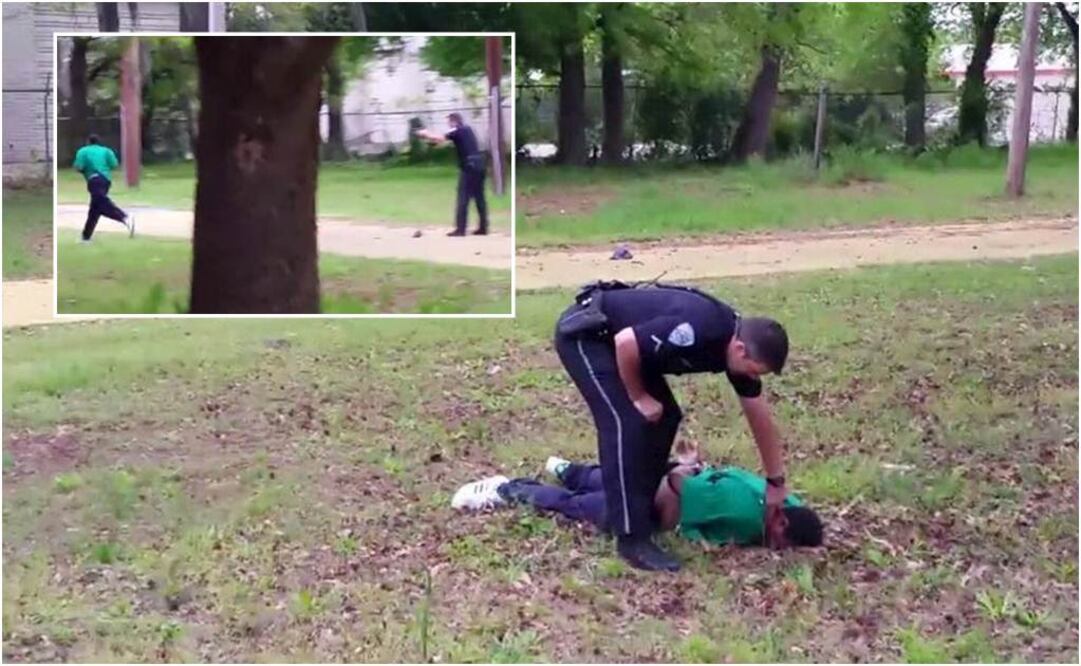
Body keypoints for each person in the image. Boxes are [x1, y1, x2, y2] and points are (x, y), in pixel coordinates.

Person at [552, 280, 792, 571]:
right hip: (589, 338)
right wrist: (639, 396)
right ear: (741, 350)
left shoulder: (736, 350)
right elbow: (625, 342)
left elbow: (759, 416)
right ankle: (631, 539)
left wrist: (775, 481)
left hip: (630, 349)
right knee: (625, 421)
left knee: (665, 418)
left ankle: (637, 503)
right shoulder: (701, 329)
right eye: (755, 371)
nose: (754, 377)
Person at [450, 452, 824, 550]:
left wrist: (689, 467)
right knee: (579, 505)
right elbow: (682, 490)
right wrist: (684, 472)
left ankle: (568, 468)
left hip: (655, 477)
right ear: (782, 522)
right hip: (653, 503)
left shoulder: (782, 495)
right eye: (782, 542)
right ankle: (507, 488)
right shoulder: (747, 516)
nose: (776, 547)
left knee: (602, 480)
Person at [414, 113, 489, 237]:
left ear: (454, 121)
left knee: (463, 197)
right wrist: (431, 140)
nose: (448, 125)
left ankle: (460, 229)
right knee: (479, 197)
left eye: (449, 122)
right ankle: (483, 227)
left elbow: (440, 138)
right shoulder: (467, 130)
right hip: (480, 165)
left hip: (469, 167)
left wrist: (425, 133)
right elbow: (443, 142)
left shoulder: (457, 130)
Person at [73, 134, 135, 242]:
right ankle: (86, 237)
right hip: (105, 180)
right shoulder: (106, 151)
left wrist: (85, 170)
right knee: (95, 210)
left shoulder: (82, 151)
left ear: (88, 142)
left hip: (93, 179)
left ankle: (124, 217)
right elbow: (114, 164)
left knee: (102, 203)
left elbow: (78, 167)